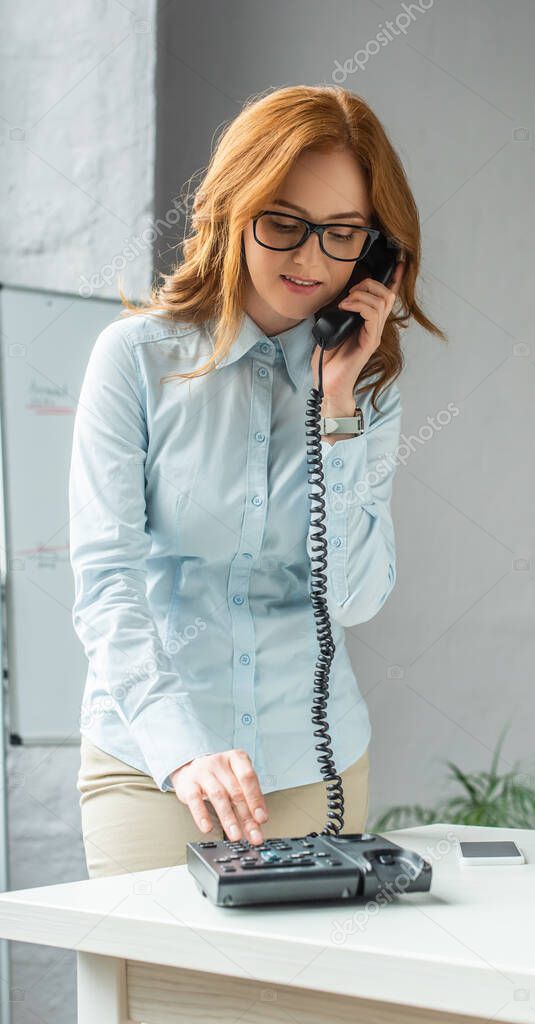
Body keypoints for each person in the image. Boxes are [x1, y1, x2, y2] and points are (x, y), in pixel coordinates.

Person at [72, 83, 445, 878]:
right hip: (154, 768)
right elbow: (107, 587)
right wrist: (184, 752)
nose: (310, 258)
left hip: (312, 766)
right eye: (282, 222)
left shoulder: (366, 386)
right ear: (233, 211)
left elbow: (352, 599)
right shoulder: (136, 360)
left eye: (343, 233)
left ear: (376, 249)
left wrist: (336, 406)